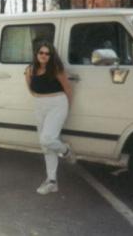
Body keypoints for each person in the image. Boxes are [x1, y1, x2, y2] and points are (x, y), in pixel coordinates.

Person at [24, 41, 76, 195]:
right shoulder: (30, 70)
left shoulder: (57, 70)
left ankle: (66, 151)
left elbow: (68, 89)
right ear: (36, 54)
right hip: (39, 104)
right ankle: (52, 181)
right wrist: (40, 100)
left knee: (46, 139)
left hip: (57, 103)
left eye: (47, 53)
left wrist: (67, 110)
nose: (44, 56)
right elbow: (31, 90)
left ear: (51, 56)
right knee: (46, 147)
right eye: (41, 53)